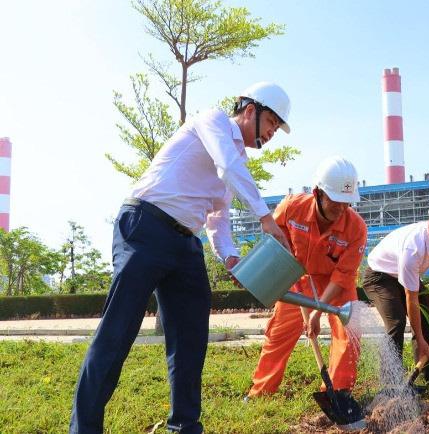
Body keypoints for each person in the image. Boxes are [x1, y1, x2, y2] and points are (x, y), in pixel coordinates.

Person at [70, 82, 293, 433]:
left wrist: (231, 258)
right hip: (146, 225)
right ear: (250, 110)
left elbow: (218, 219)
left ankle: (185, 427)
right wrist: (266, 217)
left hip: (186, 243)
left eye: (277, 130)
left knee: (190, 340)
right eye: (271, 124)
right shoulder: (213, 121)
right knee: (118, 332)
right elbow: (226, 167)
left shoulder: (238, 162)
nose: (271, 134)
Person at [246, 156, 367, 399]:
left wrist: (318, 310)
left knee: (349, 334)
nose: (342, 208)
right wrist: (290, 277)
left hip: (336, 286)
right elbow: (273, 236)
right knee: (278, 334)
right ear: (317, 192)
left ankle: (338, 393)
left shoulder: (356, 227)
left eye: (347, 203)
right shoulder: (292, 207)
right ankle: (261, 392)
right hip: (297, 279)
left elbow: (345, 274)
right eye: (336, 200)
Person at [362, 196, 429, 386]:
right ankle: (391, 383)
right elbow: (411, 299)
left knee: (426, 309)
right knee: (396, 320)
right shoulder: (413, 248)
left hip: (401, 274)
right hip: (379, 276)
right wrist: (420, 341)